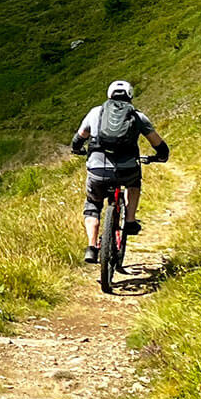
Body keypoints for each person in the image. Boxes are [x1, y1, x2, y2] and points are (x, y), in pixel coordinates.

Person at [69, 80, 169, 264]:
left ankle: (91, 247)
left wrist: (77, 149)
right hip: (128, 168)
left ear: (109, 95)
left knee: (93, 204)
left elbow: (78, 138)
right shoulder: (138, 117)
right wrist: (160, 157)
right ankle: (130, 220)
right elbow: (159, 145)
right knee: (134, 183)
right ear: (130, 96)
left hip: (98, 169)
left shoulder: (95, 112)